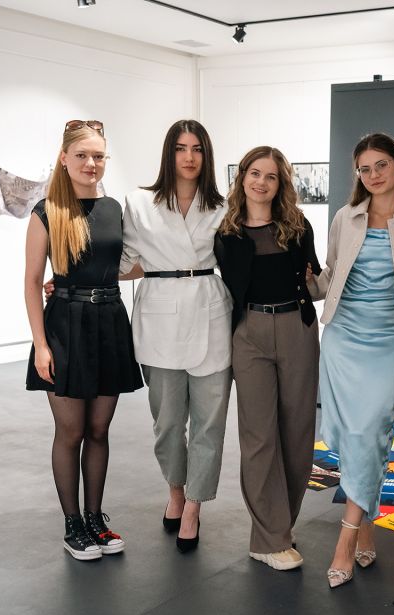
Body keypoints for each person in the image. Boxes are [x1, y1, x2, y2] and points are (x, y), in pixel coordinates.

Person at [309, 133, 394, 588]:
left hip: (390, 339)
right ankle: (364, 528)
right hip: (342, 336)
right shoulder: (346, 217)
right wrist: (299, 283)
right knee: (348, 437)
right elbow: (330, 274)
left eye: (382, 164)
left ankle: (345, 540)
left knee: (370, 433)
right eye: (365, 168)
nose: (374, 174)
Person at [24, 119, 142, 561]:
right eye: (82, 155)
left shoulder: (113, 209)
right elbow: (31, 282)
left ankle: (95, 518)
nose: (91, 163)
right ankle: (72, 523)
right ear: (64, 159)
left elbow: (126, 266)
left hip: (109, 320)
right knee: (71, 431)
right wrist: (41, 345)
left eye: (98, 156)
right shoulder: (46, 211)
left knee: (98, 430)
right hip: (65, 327)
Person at [121, 120, 233, 553]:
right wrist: (73, 279)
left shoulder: (224, 205)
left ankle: (194, 507)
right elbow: (125, 261)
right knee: (167, 423)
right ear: (169, 154)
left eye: (197, 148)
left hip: (210, 312)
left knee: (209, 424)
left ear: (207, 155)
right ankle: (175, 490)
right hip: (159, 316)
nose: (189, 157)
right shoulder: (139, 202)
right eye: (181, 148)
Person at [214, 146, 322, 571]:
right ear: (242, 178)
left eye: (271, 176)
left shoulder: (298, 227)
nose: (261, 182)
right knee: (258, 437)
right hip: (250, 334)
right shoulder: (226, 234)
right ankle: (267, 538)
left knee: (297, 434)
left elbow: (313, 278)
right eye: (255, 173)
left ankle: (281, 526)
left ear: (281, 184)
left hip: (297, 329)